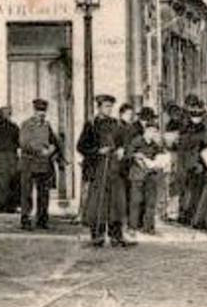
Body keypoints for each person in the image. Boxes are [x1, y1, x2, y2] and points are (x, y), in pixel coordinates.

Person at [76, 94, 133, 248]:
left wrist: (122, 149)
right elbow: (81, 146)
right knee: (98, 202)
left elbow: (123, 142)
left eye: (110, 106)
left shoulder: (116, 124)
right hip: (98, 168)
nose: (109, 109)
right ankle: (97, 235)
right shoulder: (91, 125)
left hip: (114, 168)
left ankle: (116, 235)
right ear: (99, 107)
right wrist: (98, 151)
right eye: (106, 106)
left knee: (116, 202)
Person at [18, 98, 62, 230]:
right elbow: (24, 142)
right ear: (34, 111)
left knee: (44, 193)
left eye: (43, 112)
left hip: (43, 164)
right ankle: (25, 219)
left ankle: (42, 219)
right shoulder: (26, 125)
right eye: (39, 111)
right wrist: (40, 150)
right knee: (27, 193)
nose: (41, 114)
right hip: (29, 163)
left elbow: (54, 141)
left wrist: (53, 149)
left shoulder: (47, 126)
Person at [127, 108, 169, 234]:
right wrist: (136, 155)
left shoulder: (156, 145)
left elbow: (162, 157)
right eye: (150, 131)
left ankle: (149, 227)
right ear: (146, 130)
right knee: (136, 201)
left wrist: (161, 163)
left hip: (151, 175)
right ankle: (133, 227)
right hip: (138, 176)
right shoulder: (137, 141)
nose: (152, 134)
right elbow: (128, 154)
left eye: (155, 131)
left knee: (150, 202)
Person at [175, 97, 207, 225]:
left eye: (199, 114)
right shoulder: (185, 128)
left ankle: (193, 217)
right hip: (187, 164)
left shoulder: (204, 128)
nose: (196, 116)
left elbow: (206, 147)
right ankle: (185, 216)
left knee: (195, 192)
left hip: (198, 164)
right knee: (186, 192)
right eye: (193, 114)